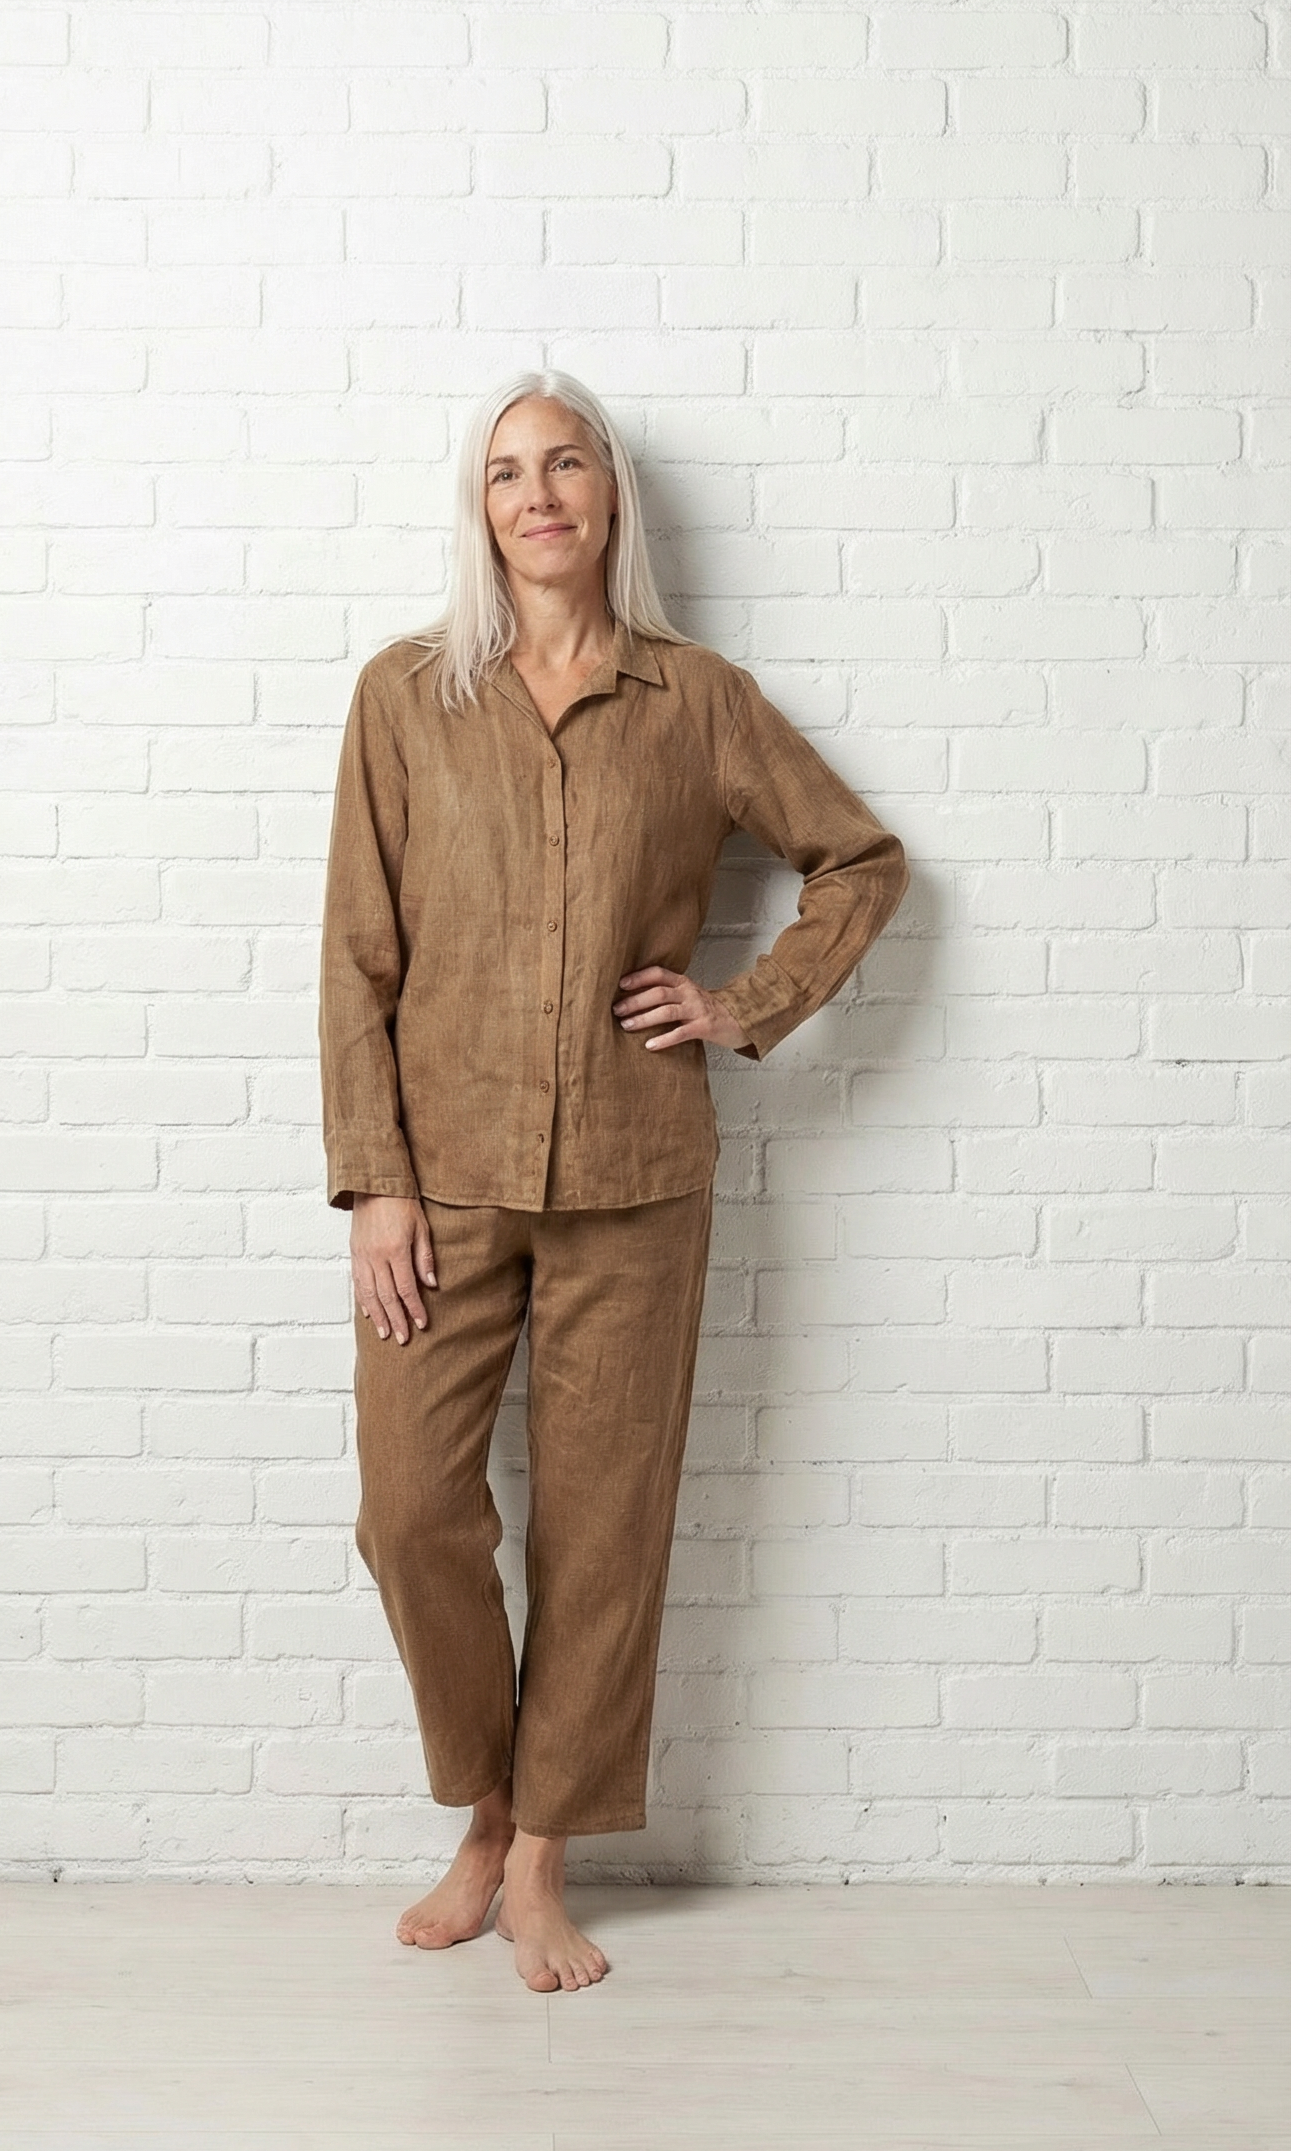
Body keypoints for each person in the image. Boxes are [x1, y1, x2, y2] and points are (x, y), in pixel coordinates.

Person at [317, 370, 909, 1993]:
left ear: (609, 495)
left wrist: (741, 1006)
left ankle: (543, 1861)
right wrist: (375, 1181)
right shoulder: (404, 697)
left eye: (564, 460)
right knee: (410, 1509)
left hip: (641, 1181)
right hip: (441, 1184)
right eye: (505, 470)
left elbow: (861, 860)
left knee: (603, 1529)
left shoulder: (699, 700)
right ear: (481, 509)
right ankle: (491, 1804)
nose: (537, 491)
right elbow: (358, 956)